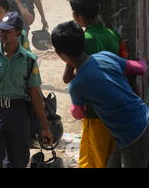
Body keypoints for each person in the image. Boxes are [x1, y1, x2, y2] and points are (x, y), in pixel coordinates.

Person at [51, 21, 149, 168]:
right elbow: (139, 69)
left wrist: (75, 107)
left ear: (60, 55)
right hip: (141, 120)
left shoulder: (77, 85)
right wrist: (142, 60)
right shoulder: (106, 56)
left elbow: (78, 114)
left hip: (133, 136)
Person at [0, 12, 53, 168]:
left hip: (18, 114)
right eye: (1, 30)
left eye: (7, 30)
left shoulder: (29, 60)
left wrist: (45, 127)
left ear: (17, 32)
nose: (3, 33)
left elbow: (35, 95)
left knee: (17, 161)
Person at [64, 0, 129, 168]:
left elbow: (68, 77)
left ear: (76, 15)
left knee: (95, 160)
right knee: (106, 158)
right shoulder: (113, 35)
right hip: (117, 109)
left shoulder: (83, 40)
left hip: (95, 112)